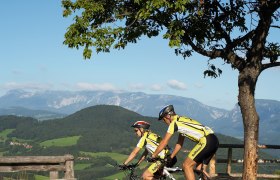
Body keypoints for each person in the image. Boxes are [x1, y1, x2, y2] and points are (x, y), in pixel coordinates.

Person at [151, 105, 219, 180]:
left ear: (168, 116)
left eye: (164, 120)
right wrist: (171, 156)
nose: (164, 122)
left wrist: (154, 155)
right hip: (214, 140)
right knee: (200, 170)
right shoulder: (182, 120)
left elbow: (164, 141)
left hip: (206, 141)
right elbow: (180, 143)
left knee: (186, 165)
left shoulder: (174, 123)